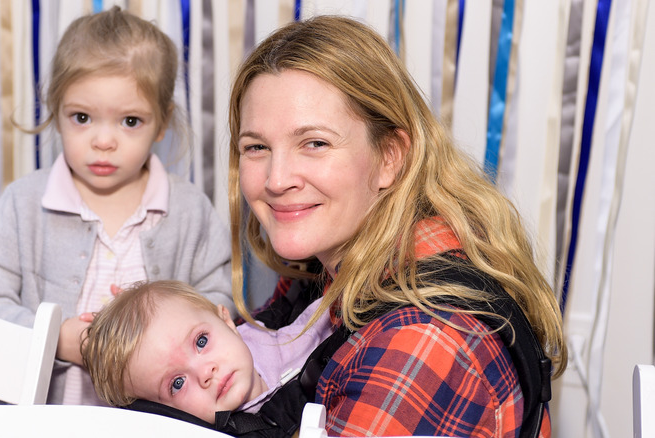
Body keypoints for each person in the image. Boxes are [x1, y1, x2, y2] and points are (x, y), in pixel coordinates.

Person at [227, 15, 567, 437]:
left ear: (390, 156)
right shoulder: (328, 263)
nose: (277, 180)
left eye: (314, 143)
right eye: (256, 147)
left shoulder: (422, 339)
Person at [0, 7, 233, 406]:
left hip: (152, 422)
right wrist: (55, 338)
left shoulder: (189, 211)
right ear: (56, 113)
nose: (103, 141)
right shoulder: (23, 204)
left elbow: (218, 304)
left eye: (129, 121)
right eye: (83, 117)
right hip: (40, 420)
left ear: (162, 122)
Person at [82, 280, 333, 424]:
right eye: (177, 383)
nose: (204, 372)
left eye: (201, 341)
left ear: (226, 321)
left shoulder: (275, 338)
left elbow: (328, 314)